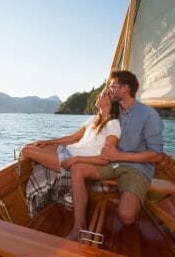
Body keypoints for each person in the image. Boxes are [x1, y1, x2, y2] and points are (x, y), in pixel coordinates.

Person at [22, 89, 121, 239]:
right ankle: (59, 180)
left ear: (111, 101)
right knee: (33, 145)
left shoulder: (113, 124)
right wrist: (48, 141)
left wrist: (76, 159)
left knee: (26, 150)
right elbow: (73, 137)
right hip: (68, 151)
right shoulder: (93, 119)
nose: (98, 95)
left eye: (103, 94)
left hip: (74, 157)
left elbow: (105, 159)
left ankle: (79, 228)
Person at [99, 70, 164, 226]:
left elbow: (157, 155)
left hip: (138, 167)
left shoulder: (149, 115)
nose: (109, 89)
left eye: (113, 86)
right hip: (111, 161)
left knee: (127, 217)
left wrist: (119, 157)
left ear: (125, 88)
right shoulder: (113, 110)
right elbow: (95, 125)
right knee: (77, 168)